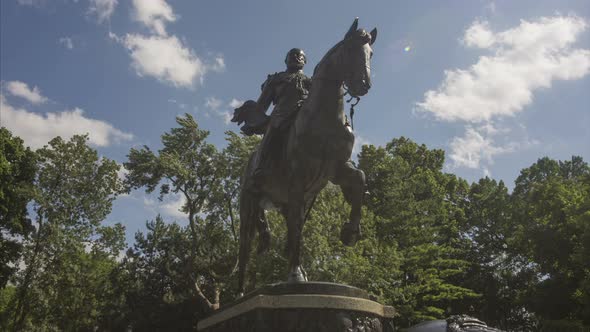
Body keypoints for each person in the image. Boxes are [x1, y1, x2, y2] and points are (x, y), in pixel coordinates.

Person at [250, 48, 312, 187]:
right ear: (286, 60)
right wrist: (255, 120)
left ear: (305, 61)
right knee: (273, 130)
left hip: (303, 115)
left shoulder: (311, 82)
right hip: (281, 115)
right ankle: (260, 168)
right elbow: (262, 104)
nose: (297, 57)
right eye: (293, 55)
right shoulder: (276, 79)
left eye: (301, 56)